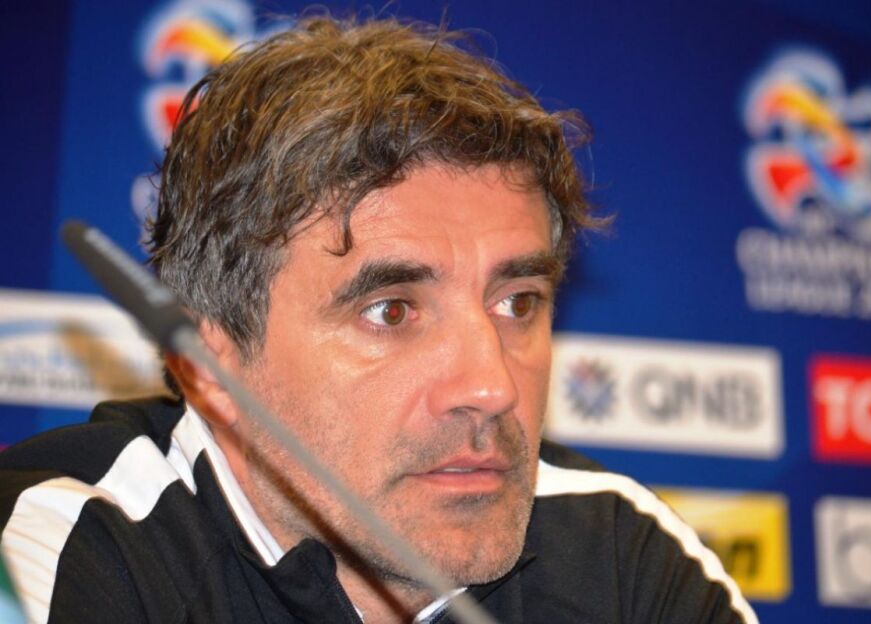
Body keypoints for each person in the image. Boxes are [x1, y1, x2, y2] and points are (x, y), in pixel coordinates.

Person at [0, 15, 756, 624]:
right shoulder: (62, 548)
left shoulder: (620, 555)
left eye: (517, 303)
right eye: (392, 312)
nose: (491, 387)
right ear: (210, 365)